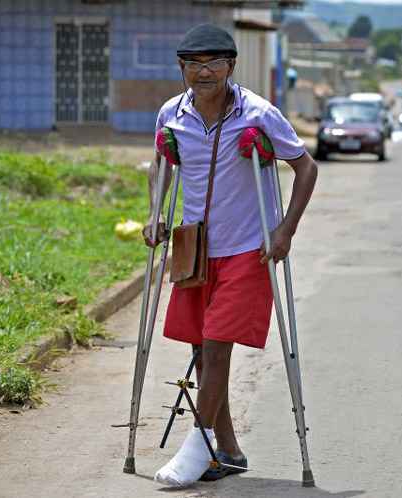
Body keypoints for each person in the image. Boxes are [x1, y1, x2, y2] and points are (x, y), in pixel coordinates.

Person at [142, 23, 317, 487]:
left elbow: (305, 167)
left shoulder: (259, 113)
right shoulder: (171, 114)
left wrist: (286, 230)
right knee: (201, 350)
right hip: (194, 248)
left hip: (246, 248)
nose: (204, 73)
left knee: (217, 347)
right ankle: (229, 450)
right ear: (181, 68)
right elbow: (160, 165)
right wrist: (155, 215)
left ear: (230, 66)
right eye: (194, 64)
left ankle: (195, 449)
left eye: (214, 63)